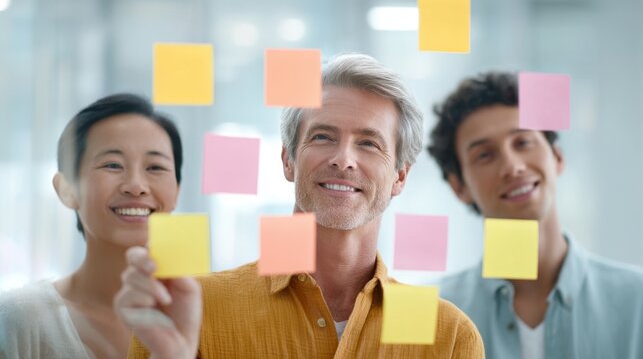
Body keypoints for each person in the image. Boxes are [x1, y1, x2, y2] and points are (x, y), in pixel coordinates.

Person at [114, 54, 484, 358]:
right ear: (288, 160)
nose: (343, 159)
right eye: (323, 136)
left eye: (369, 144)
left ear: (400, 177)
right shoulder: (195, 313)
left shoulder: (448, 337)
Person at [427, 72, 643, 359]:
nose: (513, 166)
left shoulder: (637, 300)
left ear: (557, 157)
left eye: (523, 142)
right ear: (459, 187)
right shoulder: (429, 314)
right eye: (485, 155)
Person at [0, 94, 183, 358]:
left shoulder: (206, 318)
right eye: (112, 165)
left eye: (155, 167)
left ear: (176, 191)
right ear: (67, 189)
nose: (136, 186)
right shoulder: (20, 320)